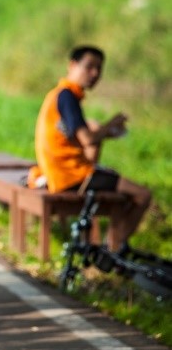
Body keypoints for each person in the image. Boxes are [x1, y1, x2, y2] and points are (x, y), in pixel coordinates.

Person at [32, 45, 151, 248]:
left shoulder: (59, 95)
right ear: (72, 65)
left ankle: (106, 245)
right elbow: (87, 139)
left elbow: (80, 139)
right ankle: (113, 250)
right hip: (71, 174)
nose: (94, 74)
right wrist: (110, 125)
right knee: (142, 194)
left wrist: (103, 131)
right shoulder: (67, 96)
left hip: (60, 171)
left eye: (99, 69)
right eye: (89, 67)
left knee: (115, 182)